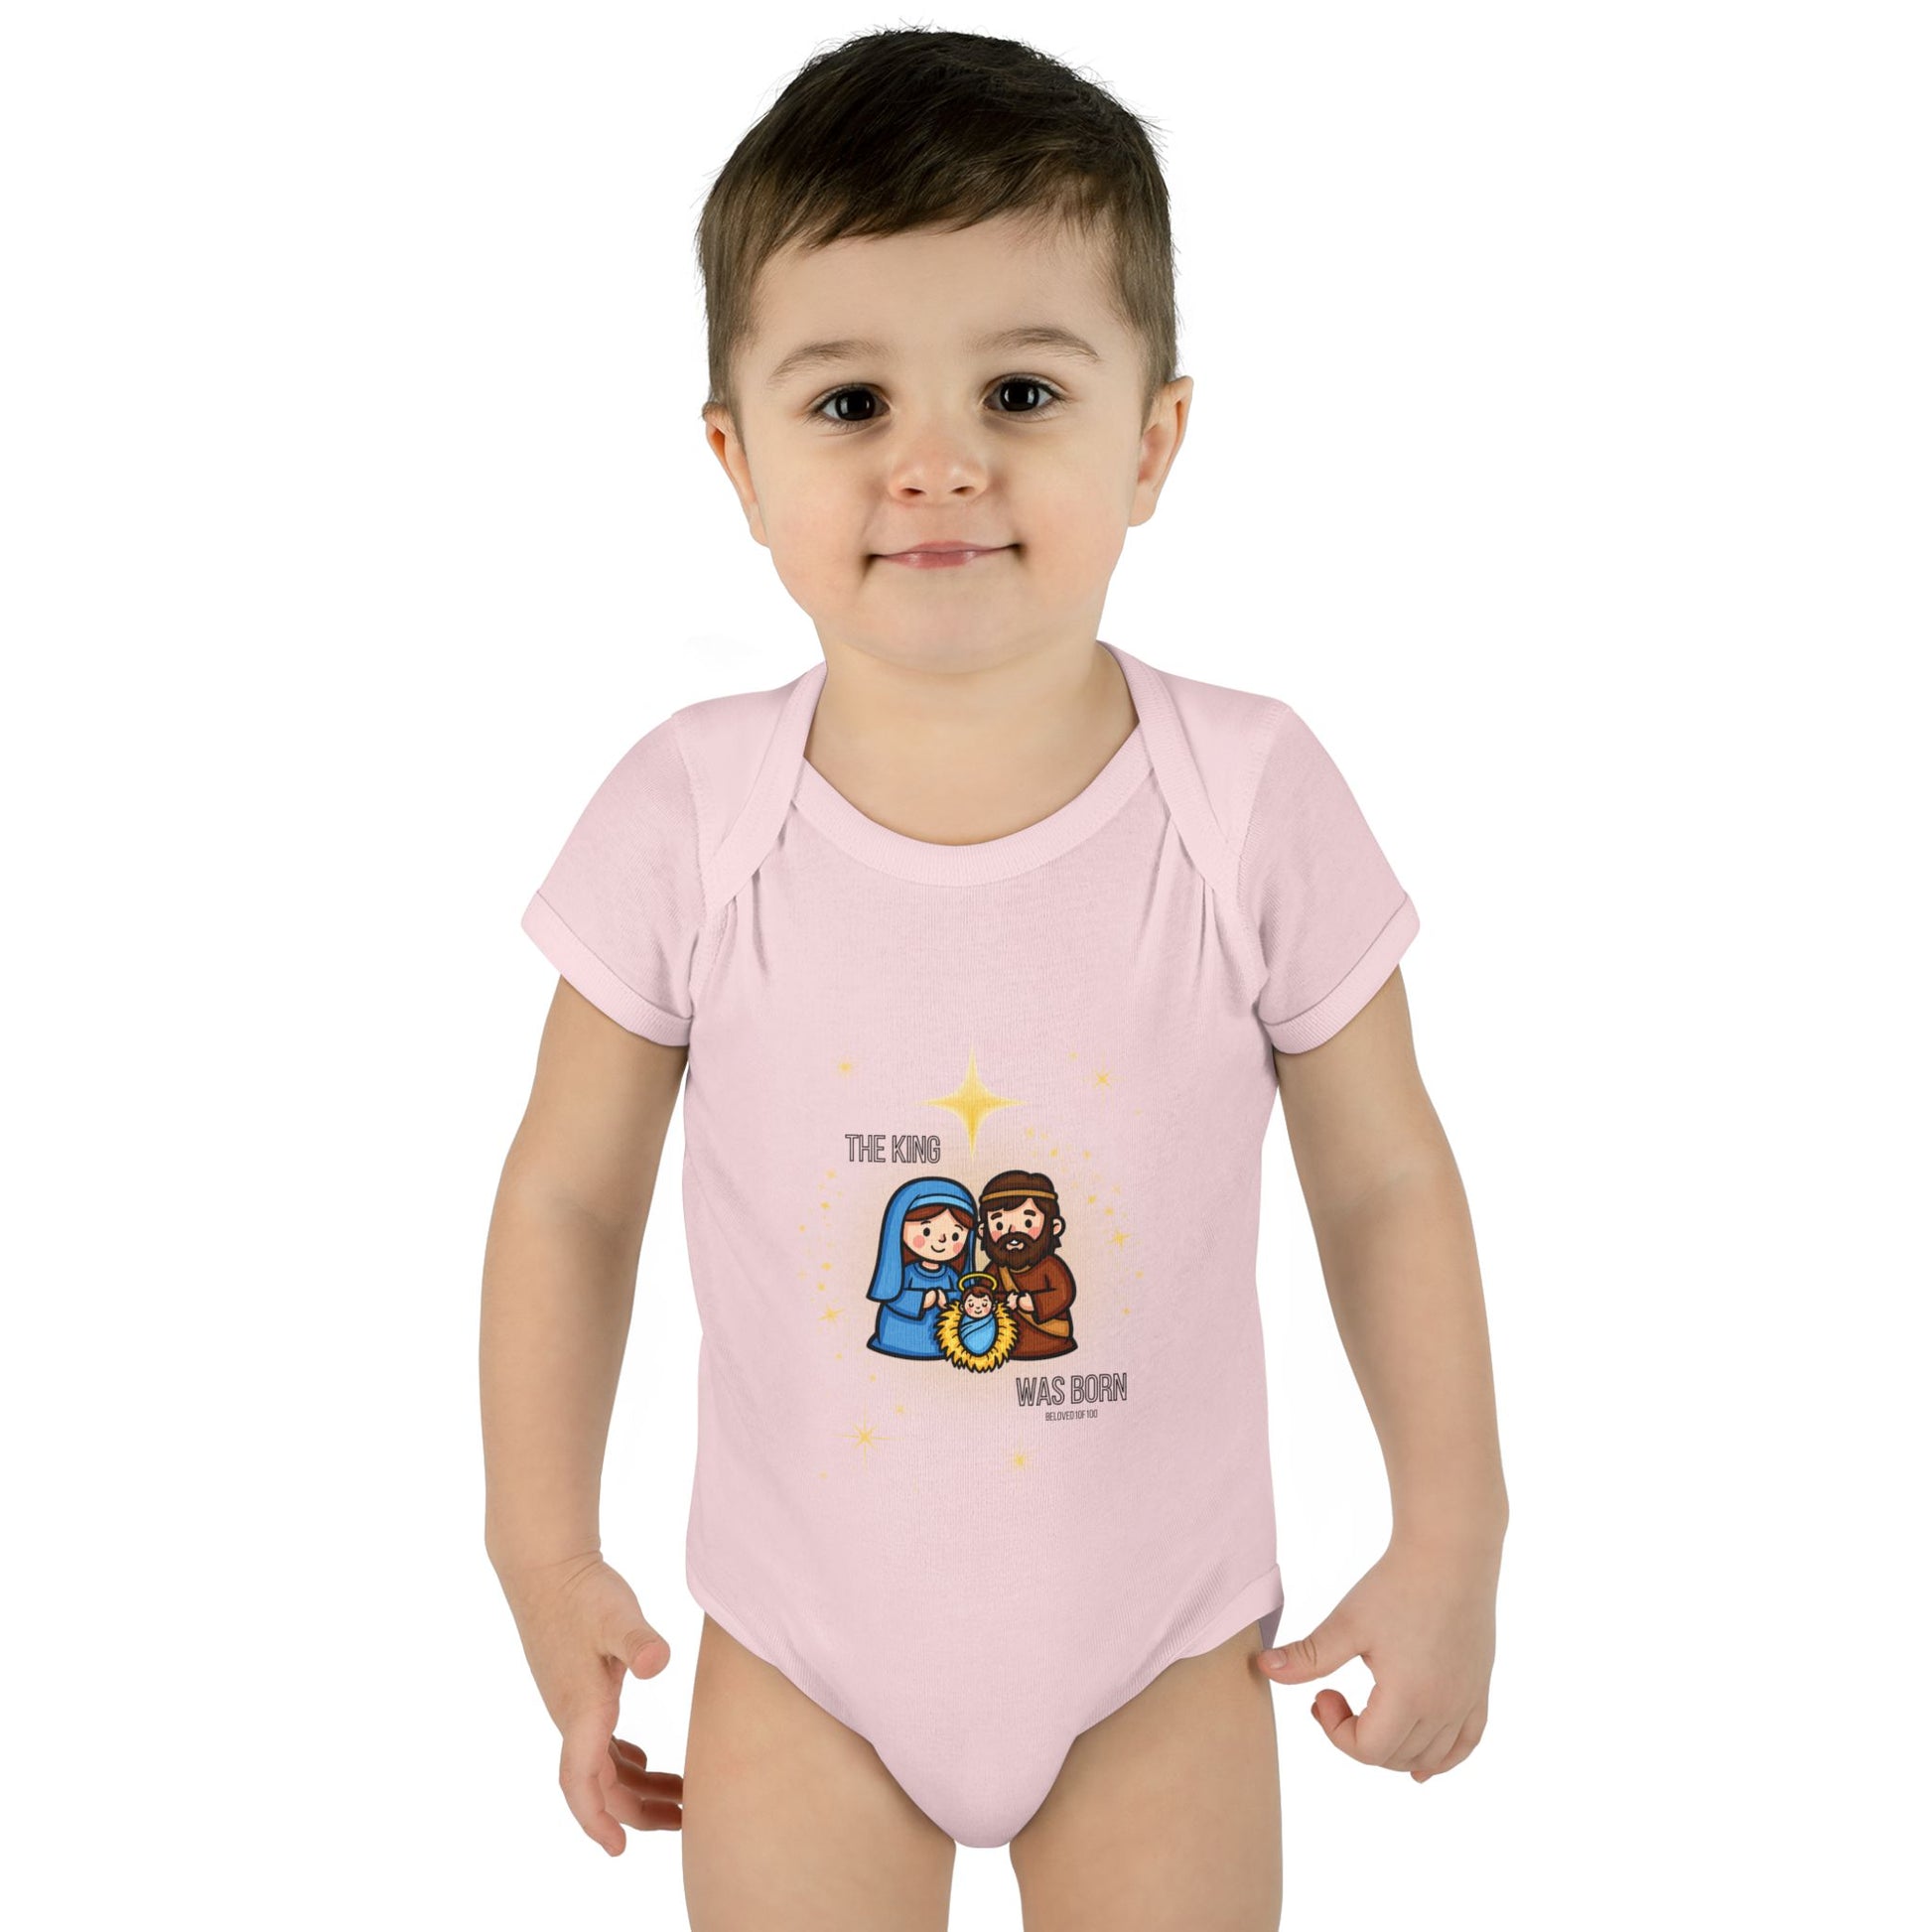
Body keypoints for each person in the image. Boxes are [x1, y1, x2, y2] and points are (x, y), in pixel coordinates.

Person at [481, 26, 1506, 1932]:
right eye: (850, 400)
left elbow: (1381, 1179)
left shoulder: (1246, 792)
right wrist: (542, 1554)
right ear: (737, 461)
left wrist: (1454, 1527)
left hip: (1160, 1651)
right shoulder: (690, 812)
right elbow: (566, 1198)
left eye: (1019, 389)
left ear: (1152, 441)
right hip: (799, 1651)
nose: (936, 462)